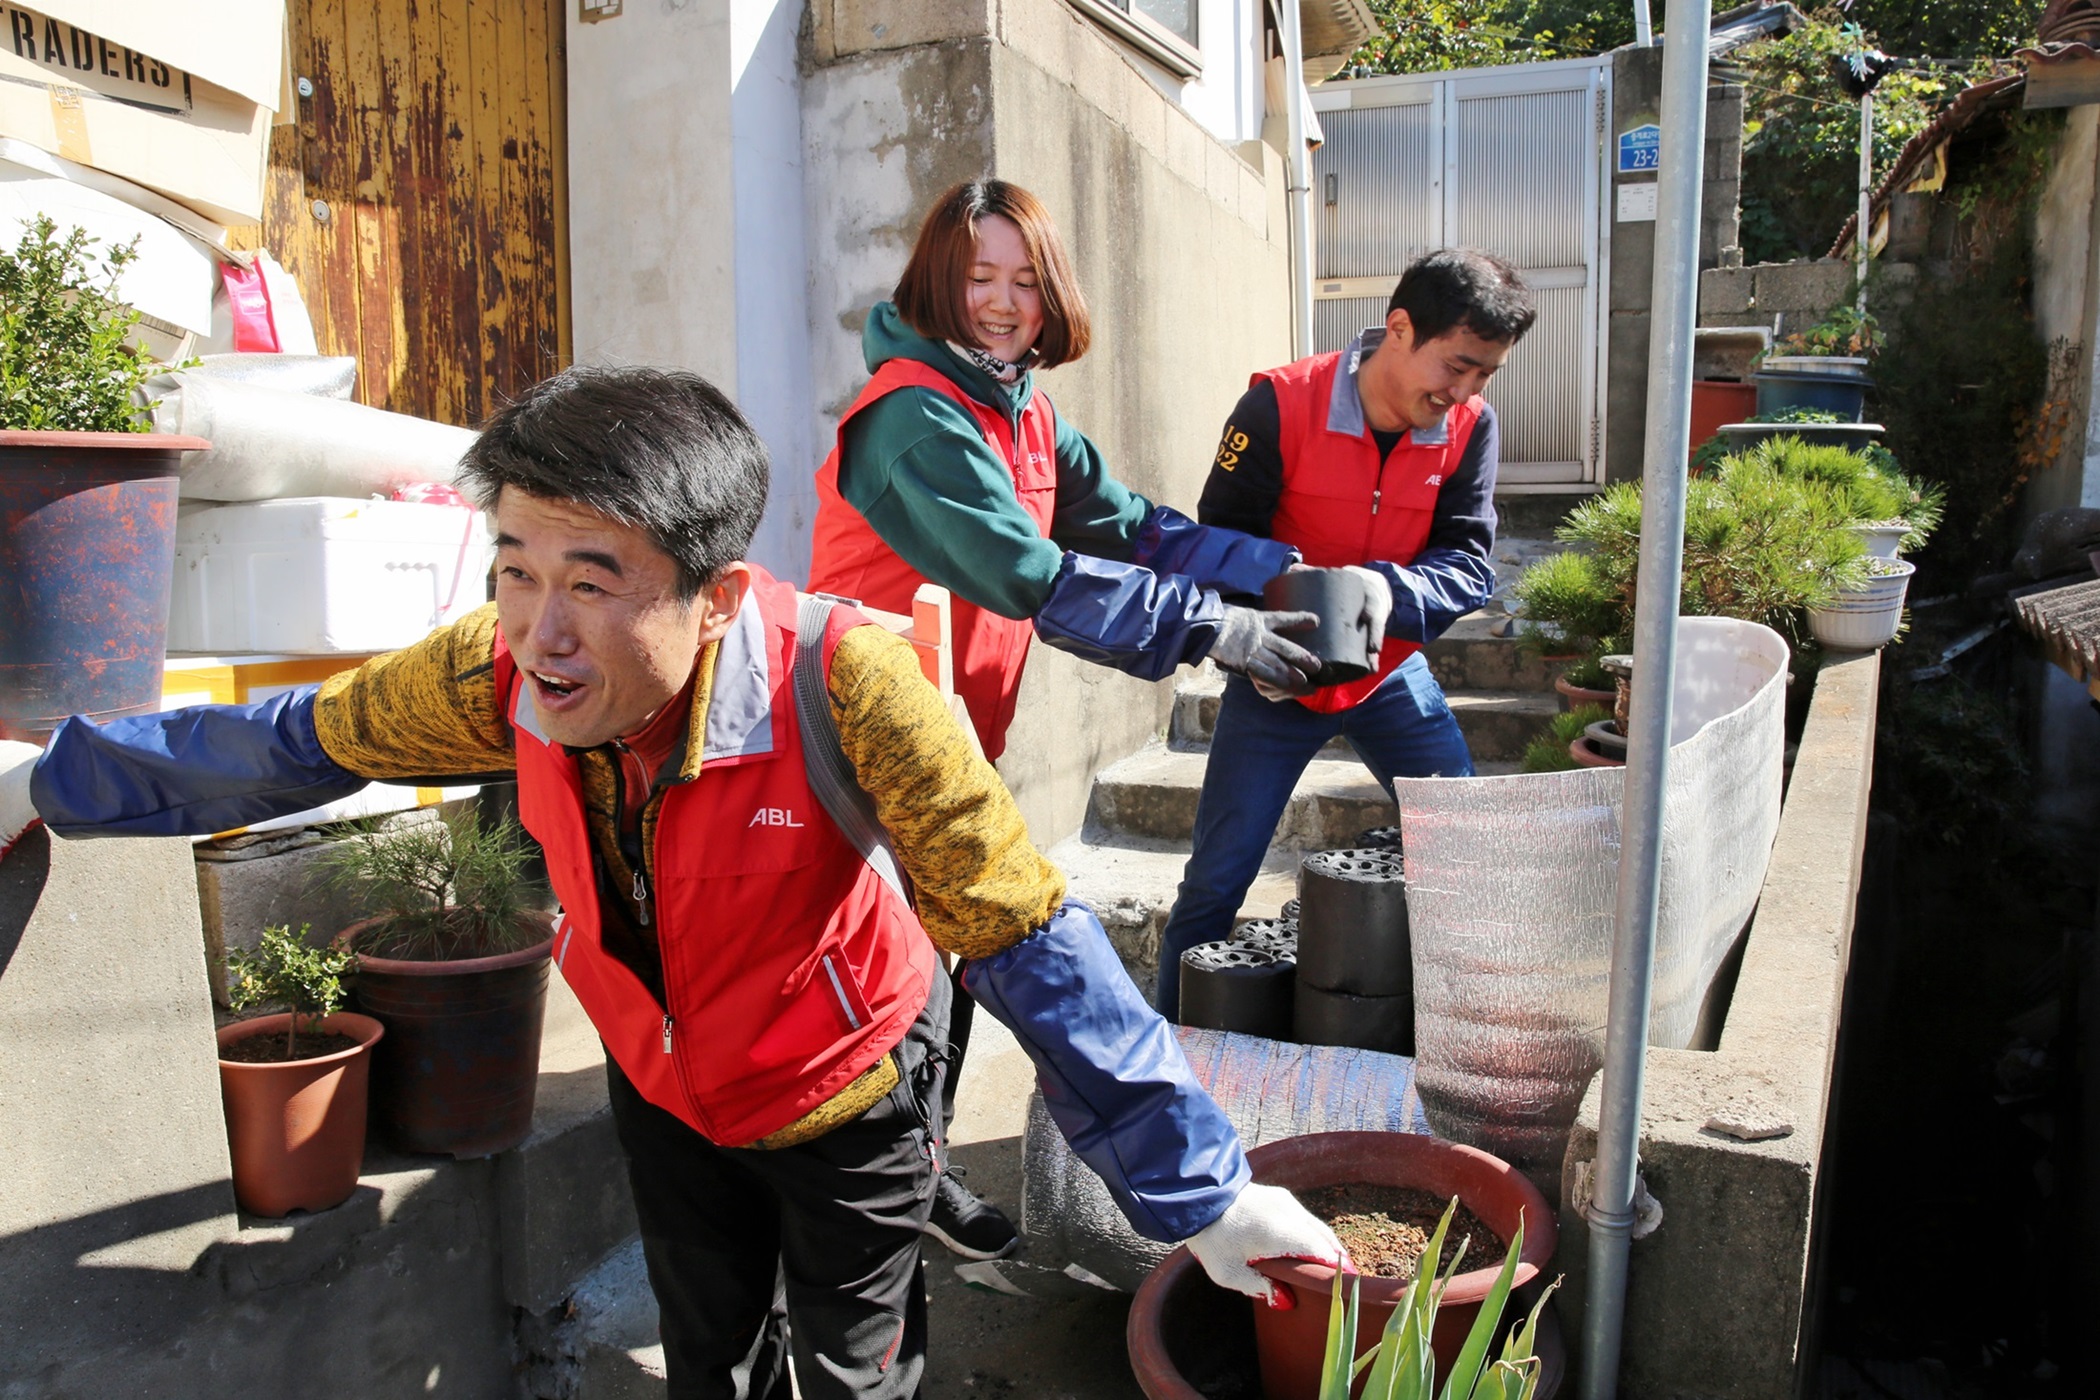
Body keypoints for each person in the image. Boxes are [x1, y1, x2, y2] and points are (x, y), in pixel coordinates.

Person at [0, 366, 1342, 1400]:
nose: (543, 629)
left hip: (847, 1097)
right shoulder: (494, 669)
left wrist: (1205, 1193)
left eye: (595, 582)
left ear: (711, 595)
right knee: (712, 1360)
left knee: (858, 1367)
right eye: (517, 570)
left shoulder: (845, 676)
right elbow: (291, 744)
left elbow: (1020, 925)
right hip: (669, 1095)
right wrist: (42, 779)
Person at [807, 179, 1323, 1255]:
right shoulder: (910, 414)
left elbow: (1138, 527)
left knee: (940, 955)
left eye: (1024, 279)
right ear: (937, 284)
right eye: (978, 277)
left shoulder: (1022, 409)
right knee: (897, 965)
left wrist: (1283, 574)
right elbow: (1022, 571)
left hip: (949, 729)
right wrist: (1207, 631)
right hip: (851, 739)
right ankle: (879, 1199)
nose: (1001, 301)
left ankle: (918, 1172)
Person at [1153, 249, 1538, 1020]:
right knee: (1216, 881)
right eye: (1456, 366)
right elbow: (1218, 541)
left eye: (1483, 376)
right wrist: (1256, 640)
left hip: (1389, 674)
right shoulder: (1277, 405)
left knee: (1466, 851)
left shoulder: (1470, 429)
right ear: (1399, 328)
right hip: (1277, 677)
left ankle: (1474, 1036)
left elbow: (1467, 562)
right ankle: (1168, 1060)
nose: (1462, 392)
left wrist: (1381, 593)